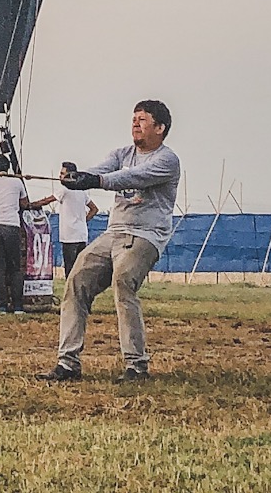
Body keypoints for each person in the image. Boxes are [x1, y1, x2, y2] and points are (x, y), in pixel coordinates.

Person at [38, 99, 180, 382]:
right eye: (134, 118)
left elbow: (130, 177)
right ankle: (67, 363)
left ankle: (136, 366)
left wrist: (93, 181)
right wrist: (77, 177)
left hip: (146, 236)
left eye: (143, 119)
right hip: (114, 233)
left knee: (123, 281)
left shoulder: (167, 160)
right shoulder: (121, 153)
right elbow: (102, 170)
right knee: (76, 280)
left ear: (160, 128)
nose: (135, 123)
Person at [0, 163, 29, 314]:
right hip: (11, 226)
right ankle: (18, 306)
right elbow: (25, 203)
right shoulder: (17, 182)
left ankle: (2, 305)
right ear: (8, 167)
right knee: (15, 268)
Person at [29, 182, 101, 273]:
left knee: (70, 268)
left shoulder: (65, 189)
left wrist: (31, 205)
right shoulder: (82, 191)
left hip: (69, 236)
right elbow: (94, 209)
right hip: (82, 235)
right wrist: (83, 221)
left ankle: (70, 286)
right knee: (79, 268)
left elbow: (47, 201)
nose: (60, 176)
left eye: (62, 173)